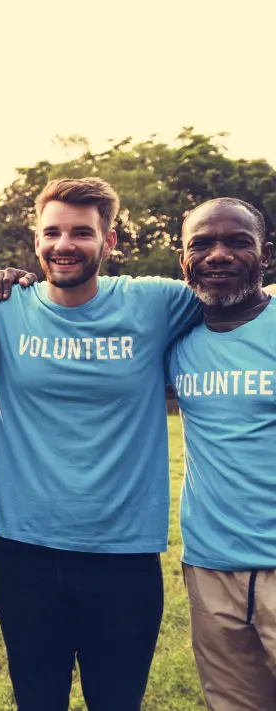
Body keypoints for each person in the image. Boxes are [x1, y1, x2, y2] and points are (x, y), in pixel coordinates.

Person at [0, 178, 201, 709]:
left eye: (81, 232)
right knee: (37, 699)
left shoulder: (156, 301)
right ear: (36, 239)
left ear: (109, 241)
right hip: (23, 550)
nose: (64, 244)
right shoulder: (2, 307)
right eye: (52, 232)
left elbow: (242, 294)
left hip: (124, 552)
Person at [168, 197, 276, 710]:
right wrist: (23, 283)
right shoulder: (173, 337)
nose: (218, 255)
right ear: (183, 259)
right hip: (210, 565)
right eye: (202, 244)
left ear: (266, 255)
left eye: (238, 242)